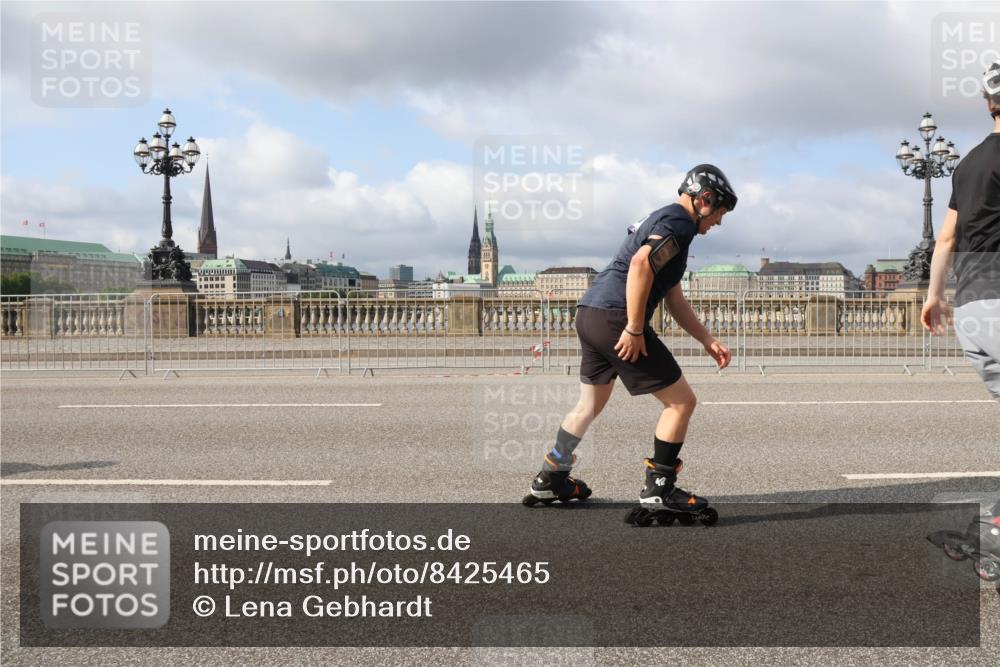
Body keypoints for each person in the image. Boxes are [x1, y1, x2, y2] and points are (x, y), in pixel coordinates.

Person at [523, 164, 736, 511]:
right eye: (720, 214)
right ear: (704, 200)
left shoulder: (661, 220)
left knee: (588, 404)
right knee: (681, 402)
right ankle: (660, 490)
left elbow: (673, 297)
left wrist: (706, 340)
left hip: (589, 312)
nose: (718, 224)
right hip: (615, 317)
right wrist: (634, 328)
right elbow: (640, 265)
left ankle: (552, 477)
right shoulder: (680, 223)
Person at [922, 59, 1000, 399]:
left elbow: (946, 238)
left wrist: (934, 296)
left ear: (988, 103)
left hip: (971, 312)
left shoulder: (967, 164)